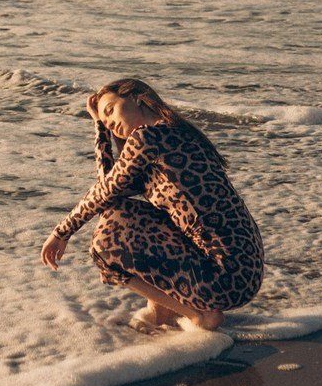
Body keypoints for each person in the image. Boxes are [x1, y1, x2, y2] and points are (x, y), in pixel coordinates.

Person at [40, 78, 264, 333]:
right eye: (105, 120)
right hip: (246, 270)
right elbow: (110, 186)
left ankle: (199, 315)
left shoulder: (148, 138)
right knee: (119, 212)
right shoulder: (179, 133)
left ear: (136, 96)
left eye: (111, 110)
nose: (109, 122)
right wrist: (100, 127)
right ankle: (163, 309)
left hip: (224, 279)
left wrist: (61, 232)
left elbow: (105, 192)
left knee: (104, 246)